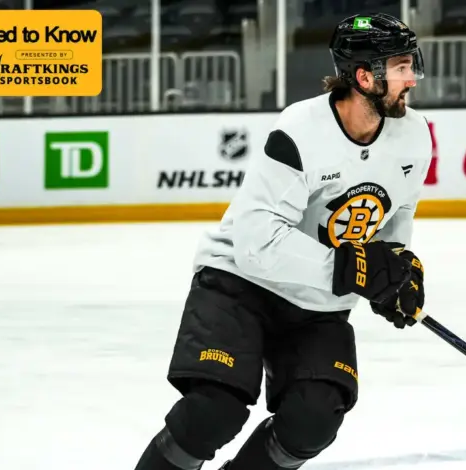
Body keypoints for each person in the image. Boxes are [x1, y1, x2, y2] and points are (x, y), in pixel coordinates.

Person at [134, 12, 432, 470]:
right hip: (240, 283)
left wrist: (397, 271)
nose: (412, 79)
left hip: (316, 304)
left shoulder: (414, 134)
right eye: (401, 67)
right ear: (363, 76)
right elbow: (257, 244)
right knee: (213, 412)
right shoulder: (301, 128)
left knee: (314, 420)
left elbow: (398, 212)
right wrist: (349, 269)